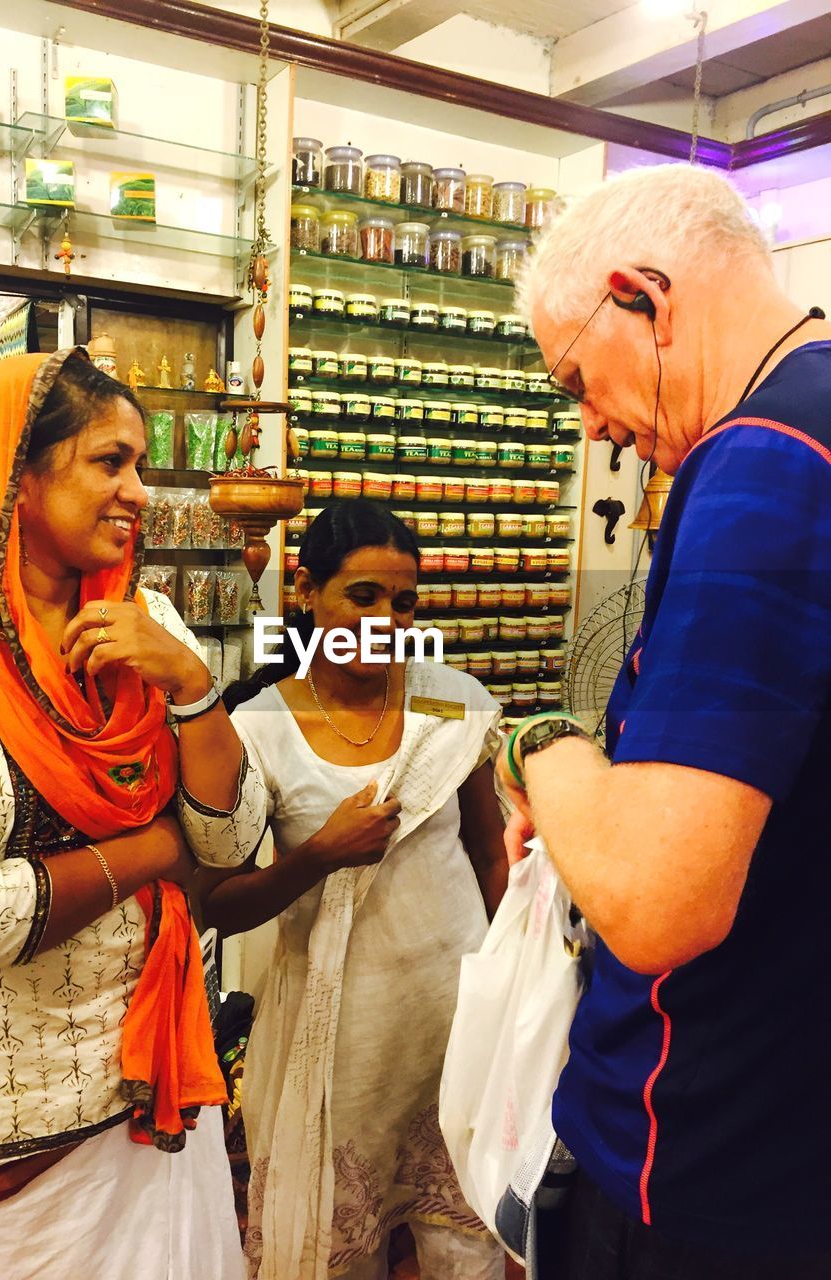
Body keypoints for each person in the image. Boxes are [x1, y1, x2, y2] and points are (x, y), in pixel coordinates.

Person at [497, 164, 831, 1277]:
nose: (599, 429)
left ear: (644, 295)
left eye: (579, 380)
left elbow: (655, 897)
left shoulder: (765, 464)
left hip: (707, 1155)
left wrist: (540, 747)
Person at [0, 350, 247, 1279]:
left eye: (143, 466)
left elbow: (232, 840)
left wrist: (194, 691)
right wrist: (156, 849)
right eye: (109, 462)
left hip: (149, 1085)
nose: (140, 492)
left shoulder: (146, 621)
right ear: (19, 481)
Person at [182, 500, 509, 1280]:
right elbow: (217, 902)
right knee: (337, 1246)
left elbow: (489, 851)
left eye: (403, 603)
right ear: (305, 590)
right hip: (344, 1040)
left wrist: (508, 985)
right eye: (361, 596)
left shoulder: (446, 700)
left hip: (455, 1013)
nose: (385, 622)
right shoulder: (261, 726)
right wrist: (320, 855)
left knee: (465, 1236)